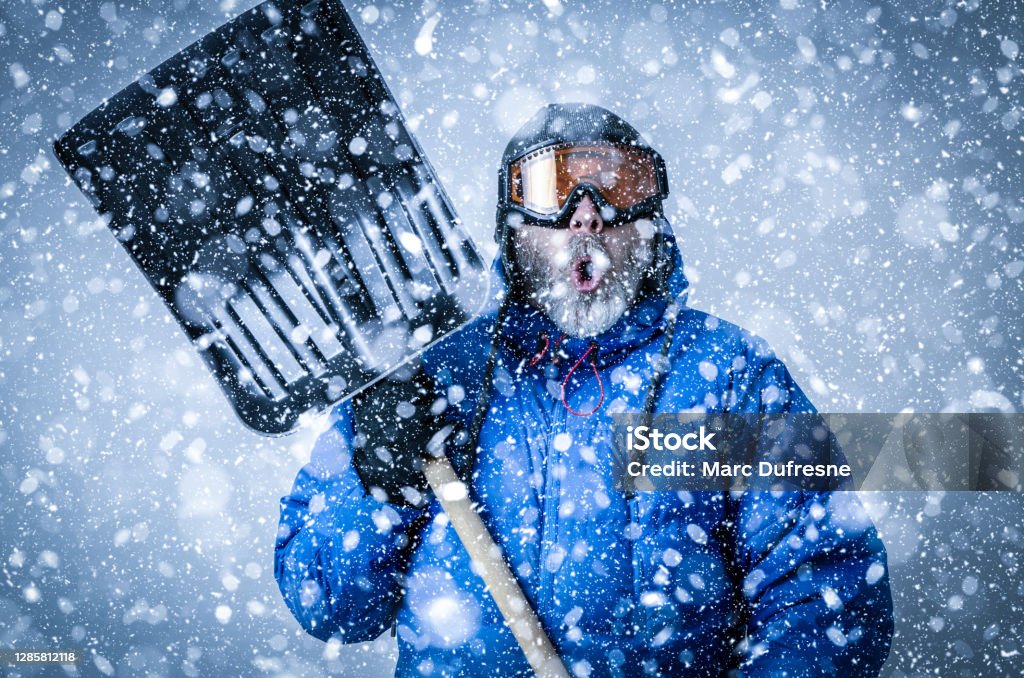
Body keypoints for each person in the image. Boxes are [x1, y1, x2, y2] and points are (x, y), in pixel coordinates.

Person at [275, 103, 894, 676]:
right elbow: (327, 604)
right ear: (512, 226)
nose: (587, 213)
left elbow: (827, 595)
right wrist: (377, 486)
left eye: (618, 186)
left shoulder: (727, 377)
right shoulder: (430, 376)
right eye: (552, 187)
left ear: (650, 222)